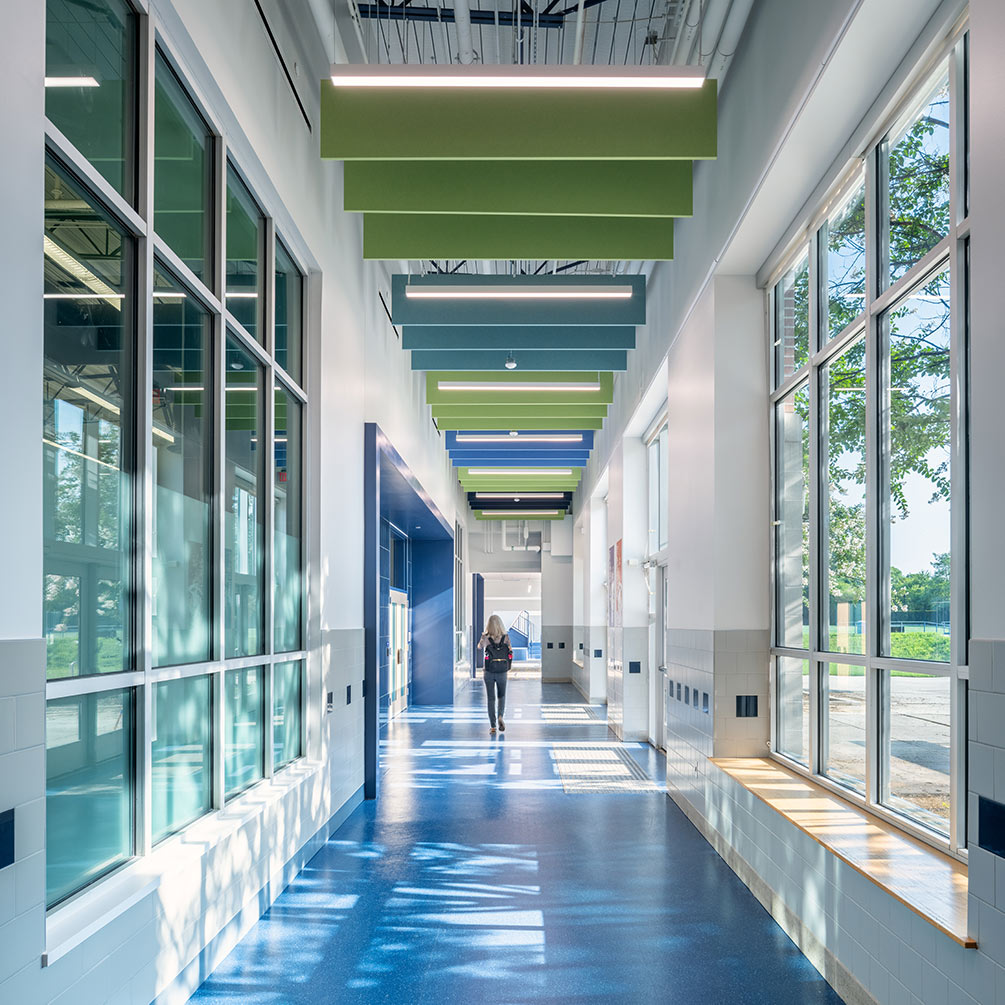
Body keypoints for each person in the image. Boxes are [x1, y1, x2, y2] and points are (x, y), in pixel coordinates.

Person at [477, 614, 513, 734]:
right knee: (501, 696)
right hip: (502, 671)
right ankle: (500, 717)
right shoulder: (506, 637)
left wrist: (483, 639)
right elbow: (510, 651)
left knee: (491, 698)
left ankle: (493, 726)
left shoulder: (485, 637)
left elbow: (479, 647)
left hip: (488, 671)